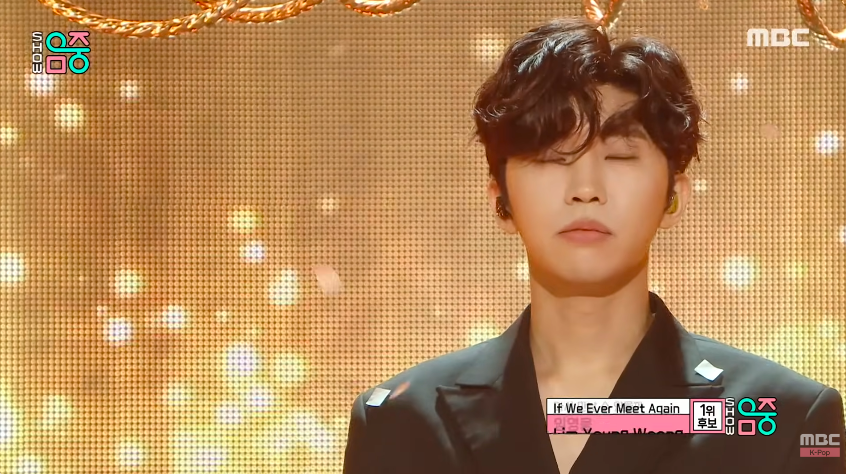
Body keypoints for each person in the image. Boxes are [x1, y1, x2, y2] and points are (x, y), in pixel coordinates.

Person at [341, 17, 846, 474]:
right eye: (550, 157)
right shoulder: (401, 421)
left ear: (674, 196)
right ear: (502, 200)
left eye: (620, 156)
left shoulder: (784, 420)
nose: (586, 189)